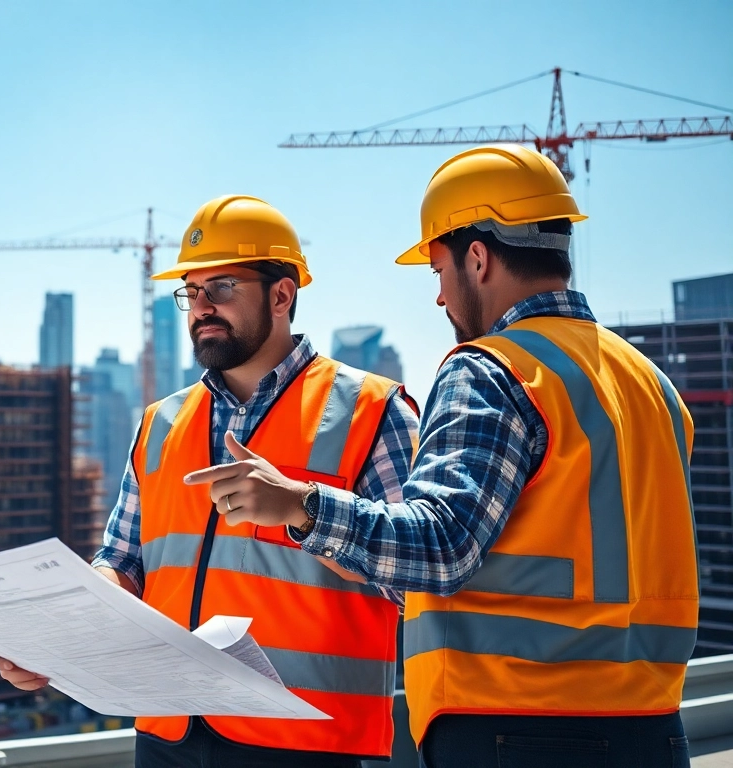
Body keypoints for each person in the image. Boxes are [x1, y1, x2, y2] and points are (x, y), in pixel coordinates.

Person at [228, 145, 699, 767]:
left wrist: (299, 504)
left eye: (438, 272)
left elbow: (446, 546)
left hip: (517, 728)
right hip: (652, 731)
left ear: (477, 258)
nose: (440, 299)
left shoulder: (494, 369)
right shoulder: (650, 384)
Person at [0, 195, 420, 768]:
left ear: (282, 294)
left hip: (308, 743)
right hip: (168, 734)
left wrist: (302, 510)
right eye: (190, 292)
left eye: (221, 288)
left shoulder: (372, 411)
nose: (201, 308)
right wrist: (58, 639)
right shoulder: (160, 424)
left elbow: (419, 576)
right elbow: (124, 564)